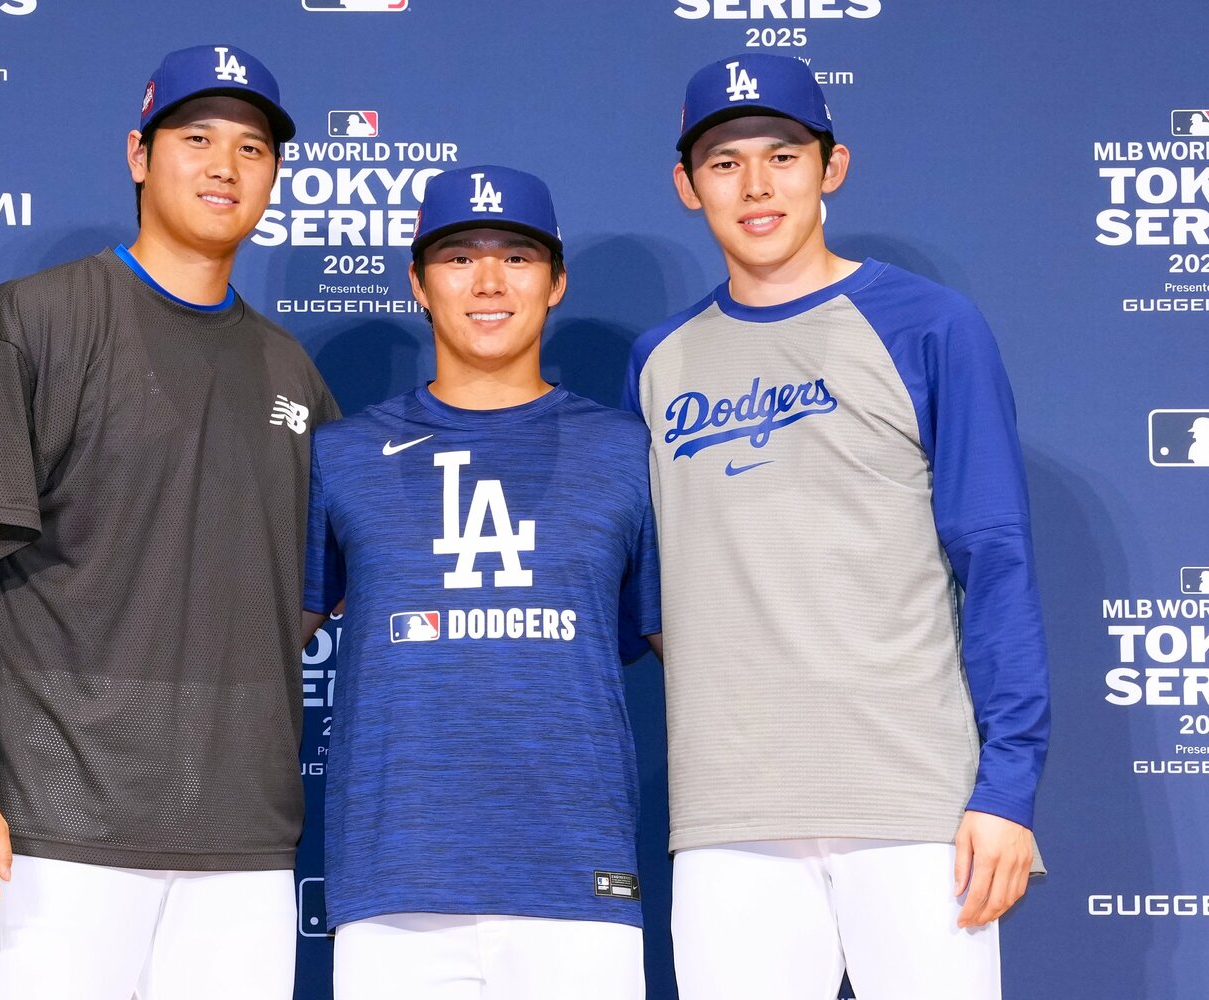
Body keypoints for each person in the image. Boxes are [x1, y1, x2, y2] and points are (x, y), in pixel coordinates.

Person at [0, 43, 337, 1000]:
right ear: (139, 154)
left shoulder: (291, 373)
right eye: (197, 137)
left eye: (252, 148)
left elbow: (300, 594)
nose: (225, 166)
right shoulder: (34, 322)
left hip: (243, 842)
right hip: (52, 832)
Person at [624, 53, 1050, 999]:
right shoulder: (660, 361)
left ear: (833, 165)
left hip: (913, 806)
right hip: (728, 819)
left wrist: (1007, 789)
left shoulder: (930, 327)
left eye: (783, 154)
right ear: (687, 187)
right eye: (726, 163)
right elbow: (652, 588)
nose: (758, 185)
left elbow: (997, 559)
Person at [303, 165, 662, 1000]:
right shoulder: (341, 455)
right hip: (396, 888)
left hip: (579, 884)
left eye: (519, 257)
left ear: (557, 281)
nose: (490, 281)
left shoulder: (627, 453)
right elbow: (257, 643)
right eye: (461, 257)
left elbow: (690, 648)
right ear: (419, 284)